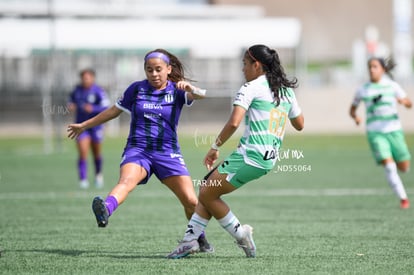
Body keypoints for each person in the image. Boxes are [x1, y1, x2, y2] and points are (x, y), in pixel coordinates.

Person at [67, 49, 213, 252]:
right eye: (149, 70)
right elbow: (112, 112)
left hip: (167, 152)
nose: (153, 74)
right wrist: (84, 125)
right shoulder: (136, 89)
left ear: (168, 69)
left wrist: (191, 88)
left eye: (158, 69)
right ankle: (106, 210)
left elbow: (203, 96)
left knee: (190, 200)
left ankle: (200, 237)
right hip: (138, 150)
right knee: (126, 182)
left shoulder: (177, 90)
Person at [168, 44, 304, 259]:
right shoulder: (285, 90)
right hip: (267, 159)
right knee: (208, 187)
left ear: (256, 65)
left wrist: (214, 148)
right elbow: (299, 124)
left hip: (250, 156)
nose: (243, 69)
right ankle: (189, 241)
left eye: (244, 64)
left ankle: (242, 235)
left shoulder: (251, 87)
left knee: (206, 192)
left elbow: (233, 123)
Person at [349, 57, 412, 209]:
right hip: (375, 133)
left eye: (375, 66)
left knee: (404, 167)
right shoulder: (363, 89)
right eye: (370, 66)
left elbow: (409, 103)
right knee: (389, 167)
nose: (372, 69)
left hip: (394, 131)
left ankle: (396, 165)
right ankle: (403, 199)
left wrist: (404, 102)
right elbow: (352, 109)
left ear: (383, 69)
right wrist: (356, 117)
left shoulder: (392, 86)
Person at [68, 69, 110, 189]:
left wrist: (93, 108)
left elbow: (106, 107)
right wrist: (70, 105)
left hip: (96, 126)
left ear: (92, 78)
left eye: (87, 78)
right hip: (81, 127)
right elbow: (70, 101)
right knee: (83, 152)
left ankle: (98, 175)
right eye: (83, 78)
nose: (85, 80)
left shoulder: (98, 91)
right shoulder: (77, 90)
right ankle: (83, 179)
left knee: (96, 153)